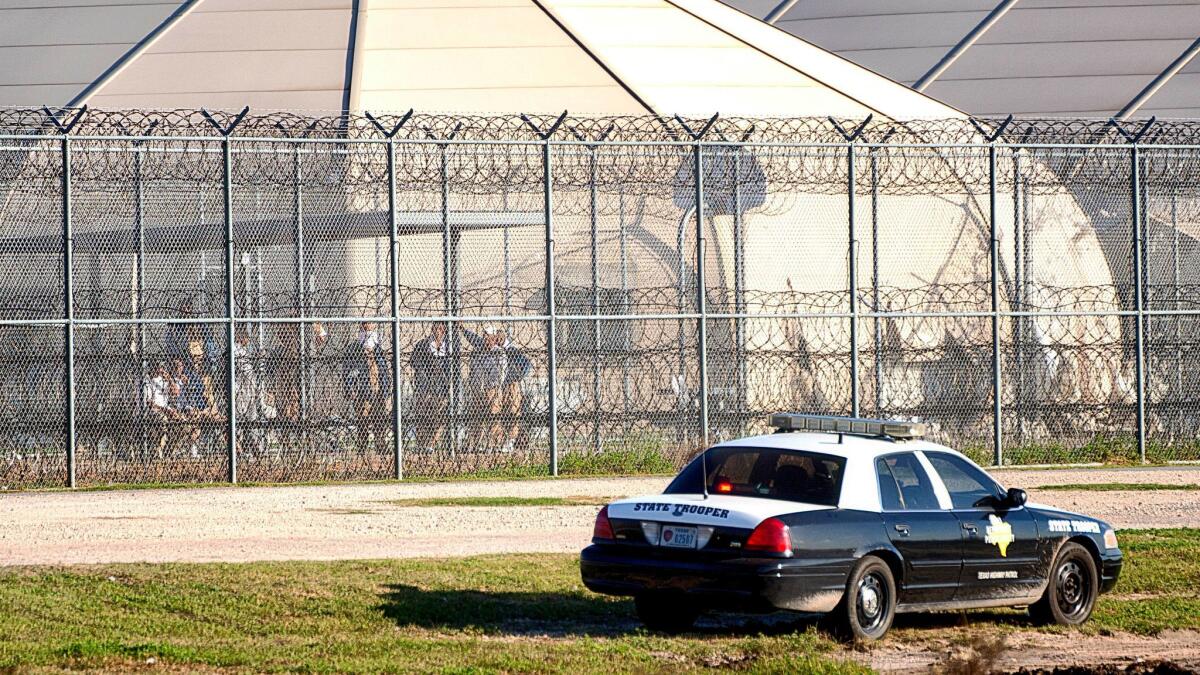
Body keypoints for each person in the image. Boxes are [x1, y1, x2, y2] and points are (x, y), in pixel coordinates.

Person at [465, 326, 531, 452]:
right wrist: (463, 329)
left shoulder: (510, 350)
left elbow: (525, 366)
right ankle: (484, 442)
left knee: (510, 413)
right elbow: (474, 338)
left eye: (500, 337)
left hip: (509, 385)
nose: (498, 339)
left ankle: (507, 442)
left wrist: (515, 378)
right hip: (491, 387)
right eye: (496, 337)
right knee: (488, 414)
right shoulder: (485, 348)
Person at [344, 322, 391, 453]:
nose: (367, 326)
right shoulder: (354, 348)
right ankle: (362, 445)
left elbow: (384, 371)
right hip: (362, 388)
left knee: (380, 419)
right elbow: (349, 370)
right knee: (363, 419)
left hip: (378, 389)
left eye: (370, 324)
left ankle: (380, 445)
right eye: (365, 324)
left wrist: (386, 391)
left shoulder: (378, 348)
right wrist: (350, 389)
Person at [410, 323, 454, 450]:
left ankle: (431, 443)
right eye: (435, 328)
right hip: (424, 385)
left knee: (439, 415)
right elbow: (414, 361)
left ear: (444, 330)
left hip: (441, 386)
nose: (438, 331)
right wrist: (425, 370)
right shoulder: (423, 344)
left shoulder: (449, 346)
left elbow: (453, 366)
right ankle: (421, 443)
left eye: (441, 329)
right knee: (422, 414)